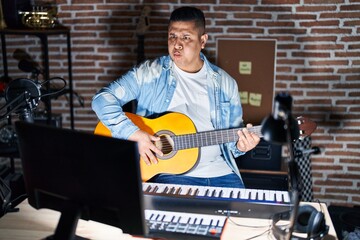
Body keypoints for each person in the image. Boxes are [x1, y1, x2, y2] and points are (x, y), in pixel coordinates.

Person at [92, 6, 260, 188]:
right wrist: (134, 134)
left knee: (244, 213)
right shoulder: (149, 74)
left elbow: (233, 144)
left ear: (203, 40)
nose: (177, 44)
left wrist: (242, 146)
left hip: (222, 173)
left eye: (186, 37)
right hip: (167, 174)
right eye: (172, 36)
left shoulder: (226, 84)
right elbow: (102, 99)